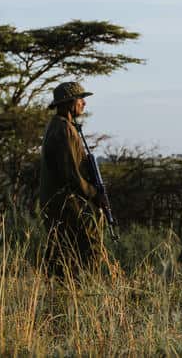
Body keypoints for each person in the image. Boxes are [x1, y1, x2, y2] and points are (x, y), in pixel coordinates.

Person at [39, 81, 108, 276]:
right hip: (66, 204)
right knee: (89, 248)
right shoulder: (64, 129)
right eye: (80, 99)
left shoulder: (60, 126)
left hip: (58, 203)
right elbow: (72, 175)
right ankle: (82, 292)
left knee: (63, 254)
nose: (83, 104)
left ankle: (63, 297)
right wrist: (95, 195)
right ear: (69, 103)